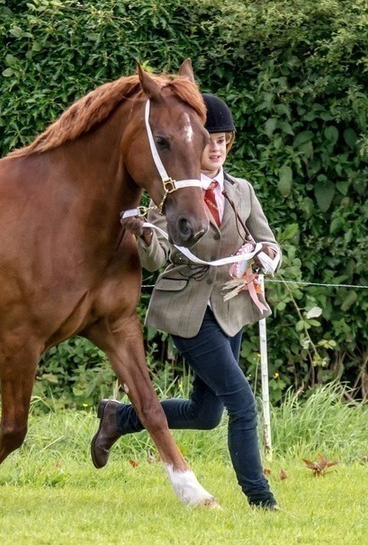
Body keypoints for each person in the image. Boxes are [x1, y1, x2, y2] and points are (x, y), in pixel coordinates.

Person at [90, 93, 281, 510]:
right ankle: (261, 499)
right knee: (243, 404)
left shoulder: (242, 191)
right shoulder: (172, 194)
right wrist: (144, 234)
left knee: (206, 414)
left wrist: (266, 258)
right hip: (188, 313)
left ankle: (119, 418)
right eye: (209, 142)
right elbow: (156, 258)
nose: (216, 149)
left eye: (223, 142)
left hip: (231, 311)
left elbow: (267, 241)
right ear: (194, 145)